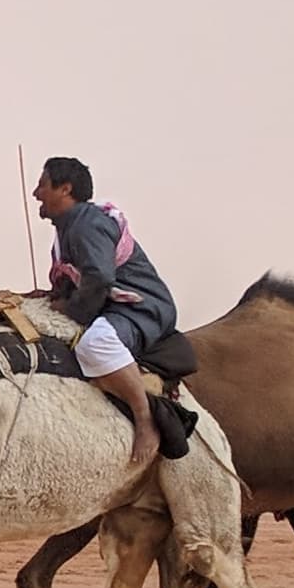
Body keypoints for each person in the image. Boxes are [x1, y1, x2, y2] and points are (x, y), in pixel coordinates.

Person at [31, 157, 181, 489]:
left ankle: (145, 419)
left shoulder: (87, 224)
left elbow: (99, 278)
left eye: (42, 185)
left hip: (141, 308)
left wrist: (70, 311)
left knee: (94, 343)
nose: (35, 193)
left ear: (65, 188)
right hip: (109, 307)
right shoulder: (69, 228)